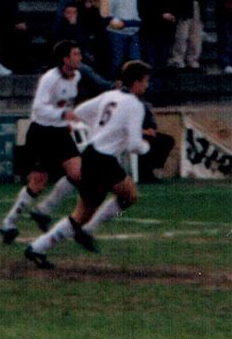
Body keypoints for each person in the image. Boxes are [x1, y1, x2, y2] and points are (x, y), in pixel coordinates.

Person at [23, 60, 152, 268]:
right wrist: (146, 147)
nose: (147, 85)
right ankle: (54, 242)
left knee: (117, 199)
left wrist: (100, 130)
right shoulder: (135, 105)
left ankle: (41, 246)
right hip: (104, 160)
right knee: (120, 200)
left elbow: (81, 111)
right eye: (145, 81)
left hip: (93, 154)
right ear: (136, 82)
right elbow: (135, 144)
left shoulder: (111, 95)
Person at [0, 41, 84, 242]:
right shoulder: (49, 79)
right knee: (38, 183)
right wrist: (64, 114)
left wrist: (66, 119)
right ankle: (8, 223)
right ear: (65, 59)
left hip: (60, 133)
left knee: (78, 173)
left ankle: (44, 210)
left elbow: (67, 102)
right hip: (42, 133)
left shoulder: (77, 76)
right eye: (76, 54)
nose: (80, 58)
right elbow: (38, 108)